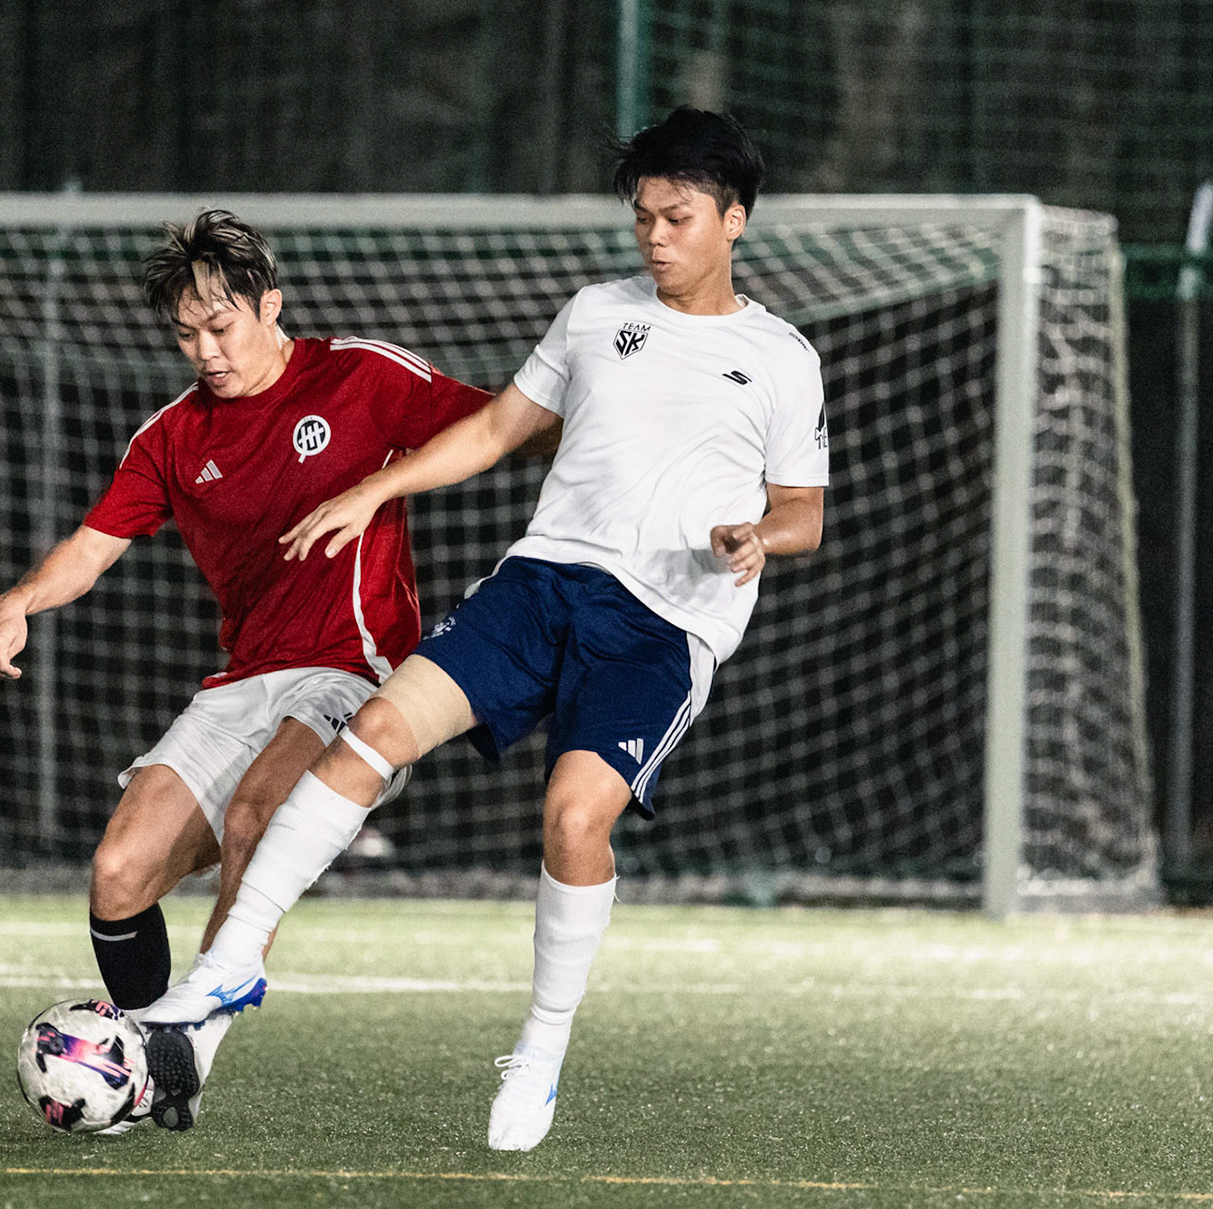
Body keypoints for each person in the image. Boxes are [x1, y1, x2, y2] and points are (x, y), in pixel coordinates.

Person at [140, 107, 830, 1152]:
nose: (654, 235)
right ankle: (226, 968)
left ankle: (542, 1052)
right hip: (541, 581)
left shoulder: (779, 356)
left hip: (662, 623)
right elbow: (501, 428)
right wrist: (380, 490)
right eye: (643, 215)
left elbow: (805, 513)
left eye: (677, 217)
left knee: (572, 820)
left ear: (733, 220)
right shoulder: (597, 314)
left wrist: (757, 538)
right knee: (371, 729)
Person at [0, 210, 491, 1132]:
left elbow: (503, 427)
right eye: (185, 333)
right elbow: (90, 550)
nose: (204, 349)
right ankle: (135, 1059)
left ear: (271, 306)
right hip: (246, 678)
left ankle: (185, 1050)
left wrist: (388, 484)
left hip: (354, 670)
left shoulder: (360, 376)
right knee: (118, 872)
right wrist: (21, 599)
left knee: (260, 810)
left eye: (221, 325)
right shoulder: (172, 437)